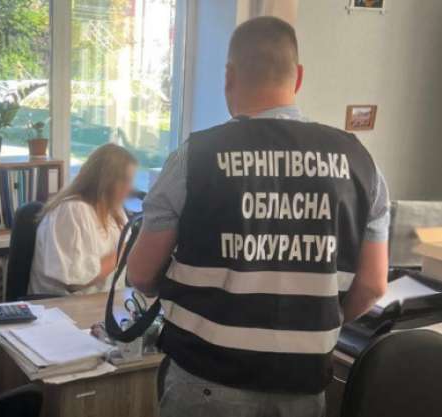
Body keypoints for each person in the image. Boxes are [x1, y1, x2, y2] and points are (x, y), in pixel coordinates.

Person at [127, 17, 389, 417]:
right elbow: (372, 285)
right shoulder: (359, 163)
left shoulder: (195, 157)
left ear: (229, 77)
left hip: (206, 380)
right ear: (298, 77)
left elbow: (142, 273)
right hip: (302, 388)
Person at [28, 143, 137, 296]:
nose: (130, 188)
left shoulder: (115, 211)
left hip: (101, 302)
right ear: (107, 181)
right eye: (125, 180)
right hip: (61, 305)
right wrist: (125, 249)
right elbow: (75, 282)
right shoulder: (72, 210)